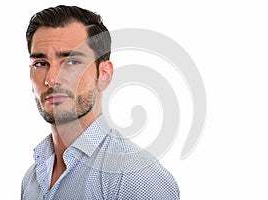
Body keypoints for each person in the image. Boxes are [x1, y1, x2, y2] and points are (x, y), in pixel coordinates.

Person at [21, 5, 180, 199]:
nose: (52, 79)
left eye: (71, 62)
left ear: (104, 75)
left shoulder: (136, 177)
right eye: (40, 63)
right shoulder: (32, 178)